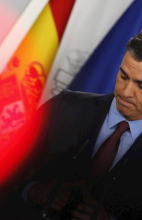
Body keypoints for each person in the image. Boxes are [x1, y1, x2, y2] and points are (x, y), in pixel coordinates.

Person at [10, 31, 142, 220]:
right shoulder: (64, 107)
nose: (126, 92)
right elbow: (2, 169)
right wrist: (31, 190)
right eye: (123, 76)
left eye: (141, 86)